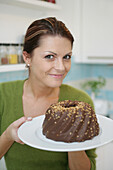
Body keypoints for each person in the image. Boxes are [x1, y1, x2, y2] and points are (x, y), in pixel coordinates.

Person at [0, 17, 97, 170]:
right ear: (27, 58)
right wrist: (7, 136)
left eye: (67, 57)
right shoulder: (3, 95)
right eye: (49, 56)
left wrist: (74, 140)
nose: (61, 67)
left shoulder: (80, 102)